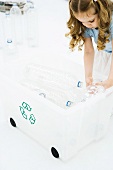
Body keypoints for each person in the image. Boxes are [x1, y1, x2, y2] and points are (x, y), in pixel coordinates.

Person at [66, 0, 113, 89]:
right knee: (99, 80)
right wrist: (88, 76)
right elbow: (88, 51)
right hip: (104, 52)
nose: (87, 25)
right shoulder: (86, 25)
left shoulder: (111, 21)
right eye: (82, 22)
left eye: (91, 20)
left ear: (100, 10)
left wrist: (111, 80)